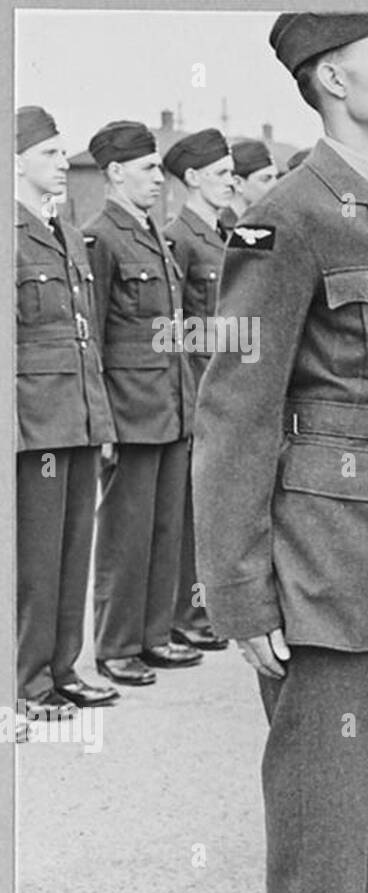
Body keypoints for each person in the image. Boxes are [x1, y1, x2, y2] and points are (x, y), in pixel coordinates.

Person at [193, 11, 368, 893]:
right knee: (325, 835)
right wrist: (239, 592)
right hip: (326, 567)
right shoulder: (285, 217)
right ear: (333, 80)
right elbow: (234, 410)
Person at [83, 119, 201, 686]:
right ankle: (116, 645)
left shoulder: (152, 233)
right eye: (148, 168)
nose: (159, 178)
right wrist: (102, 421)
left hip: (170, 405)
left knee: (163, 530)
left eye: (158, 167)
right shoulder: (101, 237)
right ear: (114, 173)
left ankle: (155, 635)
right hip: (130, 411)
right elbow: (97, 337)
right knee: (125, 536)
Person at [14, 105, 120, 720]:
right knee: (36, 559)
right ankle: (26, 684)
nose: (63, 163)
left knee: (72, 550)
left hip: (77, 418)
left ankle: (61, 668)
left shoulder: (60, 231)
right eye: (51, 154)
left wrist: (99, 422)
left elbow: (86, 335)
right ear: (16, 160)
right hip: (36, 425)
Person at [162, 128, 234, 653]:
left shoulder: (227, 233)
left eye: (232, 173)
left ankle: (209, 607)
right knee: (191, 511)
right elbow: (171, 327)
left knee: (218, 505)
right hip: (200, 385)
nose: (230, 183)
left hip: (229, 384)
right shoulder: (178, 237)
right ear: (192, 179)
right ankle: (188, 613)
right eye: (221, 175)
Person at [228, 140, 280, 218]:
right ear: (238, 183)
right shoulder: (214, 227)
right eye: (265, 179)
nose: (276, 185)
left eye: (277, 177)